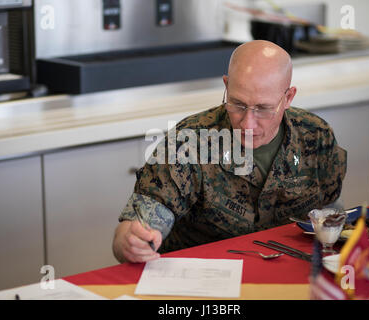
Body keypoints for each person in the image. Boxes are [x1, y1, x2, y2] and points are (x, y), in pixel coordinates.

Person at [112, 40, 347, 263]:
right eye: (238, 104)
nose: (247, 123)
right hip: (201, 278)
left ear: (288, 97)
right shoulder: (191, 141)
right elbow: (145, 218)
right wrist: (131, 241)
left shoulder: (316, 136)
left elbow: (329, 209)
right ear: (226, 85)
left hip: (286, 268)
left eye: (263, 108)